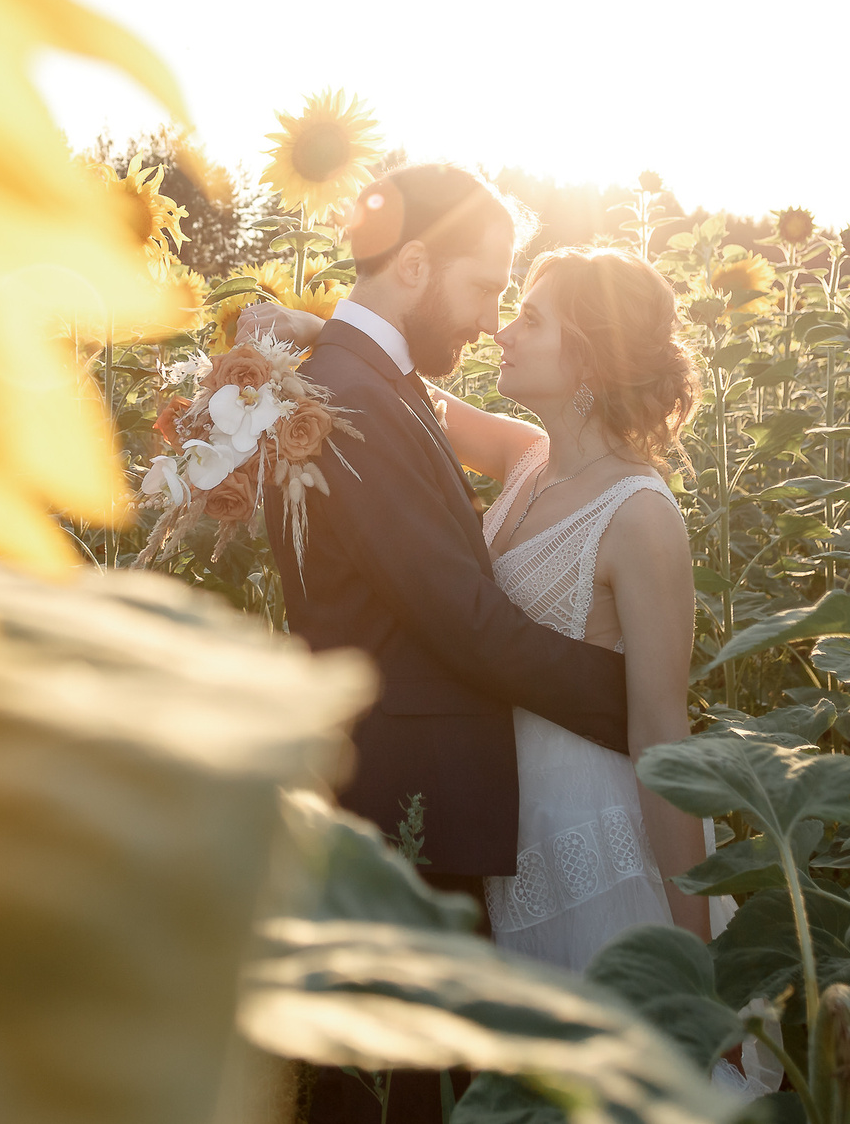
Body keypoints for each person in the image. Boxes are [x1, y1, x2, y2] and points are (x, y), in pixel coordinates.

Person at [243, 165, 628, 1124]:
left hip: (410, 797)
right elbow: (460, 619)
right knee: (401, 1097)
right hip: (405, 808)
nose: (490, 318)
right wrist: (630, 700)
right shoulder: (353, 396)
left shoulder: (365, 380)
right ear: (414, 265)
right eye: (484, 286)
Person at [249, 238, 715, 968]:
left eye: (531, 319)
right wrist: (320, 331)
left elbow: (660, 730)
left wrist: (701, 953)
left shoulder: (642, 517)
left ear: (589, 357)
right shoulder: (527, 456)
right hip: (504, 821)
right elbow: (396, 395)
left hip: (591, 833)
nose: (501, 331)